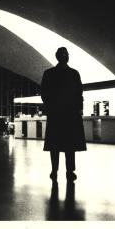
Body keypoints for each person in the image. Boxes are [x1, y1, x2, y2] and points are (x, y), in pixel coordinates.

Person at [41, 47, 86, 182]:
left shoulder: (49, 73)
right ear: (67, 57)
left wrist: (50, 107)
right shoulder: (74, 74)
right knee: (69, 145)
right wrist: (78, 109)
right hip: (70, 115)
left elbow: (44, 93)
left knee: (54, 144)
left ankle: (54, 170)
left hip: (55, 114)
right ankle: (70, 171)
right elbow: (79, 94)